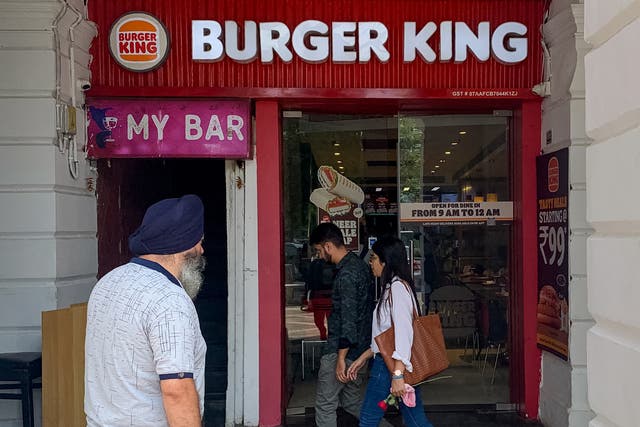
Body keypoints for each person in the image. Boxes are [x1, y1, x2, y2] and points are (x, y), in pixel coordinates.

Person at [85, 195, 208, 427]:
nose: (201, 250)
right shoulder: (169, 299)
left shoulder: (107, 282)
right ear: (184, 245)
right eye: (198, 241)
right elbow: (177, 390)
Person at [347, 236, 434, 427]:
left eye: (373, 258)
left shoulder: (396, 289)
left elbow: (403, 333)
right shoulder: (394, 287)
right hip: (395, 365)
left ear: (385, 261)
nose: (371, 263)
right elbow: (388, 334)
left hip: (389, 367)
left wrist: (397, 375)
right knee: (415, 421)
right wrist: (364, 357)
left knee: (368, 420)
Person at [309, 223, 374, 427]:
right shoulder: (361, 266)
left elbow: (348, 318)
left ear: (328, 246)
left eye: (319, 250)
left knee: (326, 405)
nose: (319, 256)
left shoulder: (346, 275)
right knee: (353, 403)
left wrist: (340, 358)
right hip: (361, 350)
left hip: (341, 350)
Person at [305, 257, 335, 340]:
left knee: (324, 319)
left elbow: (309, 280)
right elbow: (309, 280)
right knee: (321, 320)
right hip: (321, 296)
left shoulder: (316, 263)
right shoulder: (315, 264)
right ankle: (324, 333)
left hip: (326, 296)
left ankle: (326, 334)